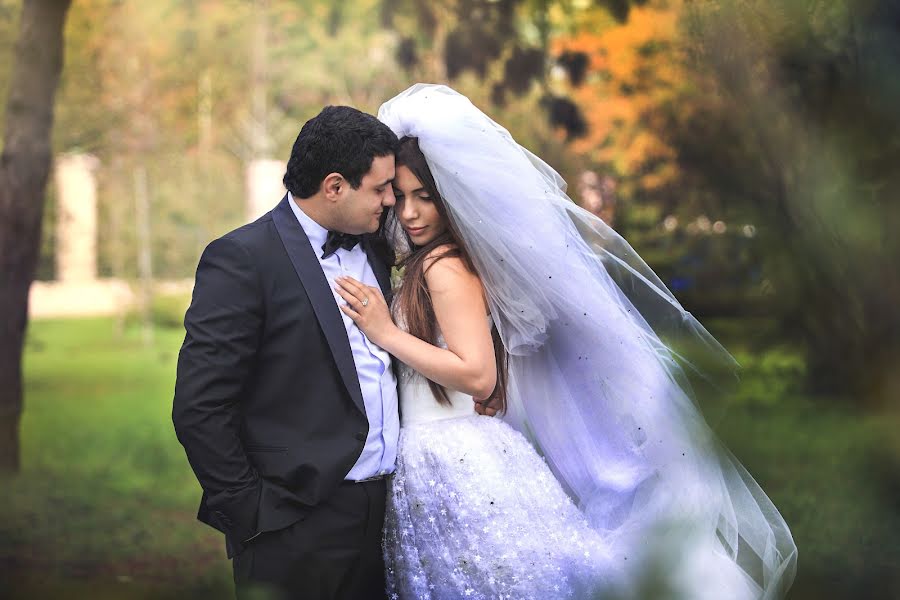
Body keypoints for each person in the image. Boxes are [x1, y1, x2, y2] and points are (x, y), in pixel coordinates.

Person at [336, 84, 797, 600]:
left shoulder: (445, 267)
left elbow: (478, 373)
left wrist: (387, 333)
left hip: (456, 458)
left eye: (426, 197)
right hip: (435, 454)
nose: (413, 212)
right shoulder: (426, 264)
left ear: (450, 200)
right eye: (401, 197)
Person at [172, 105, 494, 600]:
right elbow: (200, 407)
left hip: (388, 514)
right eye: (381, 188)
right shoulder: (242, 259)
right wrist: (252, 515)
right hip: (295, 524)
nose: (391, 201)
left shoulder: (377, 246)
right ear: (335, 186)